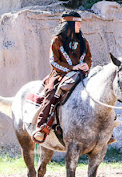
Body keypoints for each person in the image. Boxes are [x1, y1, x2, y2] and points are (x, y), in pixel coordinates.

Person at [33, 11, 92, 143]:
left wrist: (86, 66)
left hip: (81, 75)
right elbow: (54, 62)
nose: (80, 26)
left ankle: (108, 128)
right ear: (70, 24)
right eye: (78, 23)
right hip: (60, 75)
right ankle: (41, 127)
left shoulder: (83, 41)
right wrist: (72, 67)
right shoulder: (57, 40)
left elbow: (88, 58)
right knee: (51, 93)